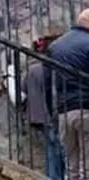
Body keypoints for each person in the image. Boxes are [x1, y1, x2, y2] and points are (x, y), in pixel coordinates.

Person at [7, 34, 65, 179]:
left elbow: (21, 95)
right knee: (63, 152)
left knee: (52, 151)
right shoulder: (57, 68)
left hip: (39, 117)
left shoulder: (32, 70)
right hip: (56, 115)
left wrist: (9, 76)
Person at [44, 10, 89, 179]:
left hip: (63, 110)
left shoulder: (55, 46)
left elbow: (47, 83)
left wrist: (52, 111)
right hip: (86, 107)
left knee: (71, 164)